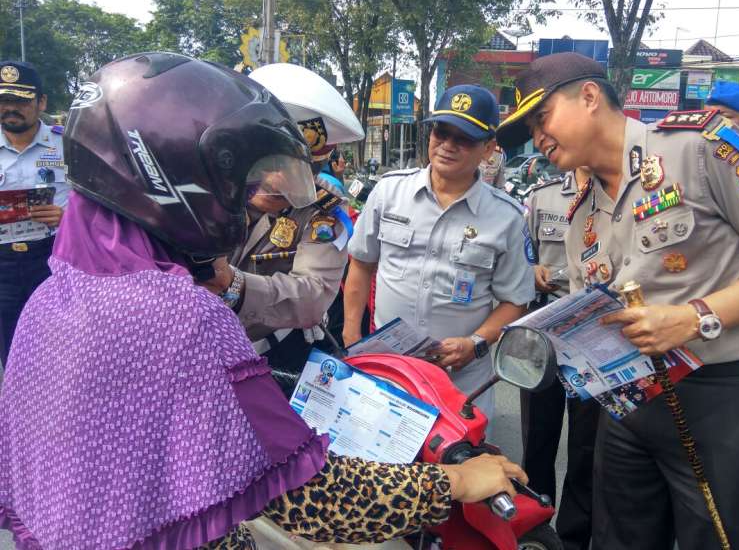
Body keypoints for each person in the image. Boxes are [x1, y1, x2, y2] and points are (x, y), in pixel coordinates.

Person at [0, 53, 527, 550]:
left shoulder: (52, 295)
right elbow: (304, 495)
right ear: (177, 178)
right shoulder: (180, 317)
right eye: (233, 179)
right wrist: (452, 481)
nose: (247, 194)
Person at [497, 51, 739, 550]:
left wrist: (695, 317)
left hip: (726, 395)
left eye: (542, 118)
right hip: (632, 405)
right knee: (618, 537)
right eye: (530, 130)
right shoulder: (580, 215)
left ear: (590, 96)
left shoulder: (700, 149)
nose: (537, 138)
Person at [343, 84, 535, 420]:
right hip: (389, 369)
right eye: (441, 133)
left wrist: (475, 343)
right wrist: (351, 335)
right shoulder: (389, 192)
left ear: (489, 148)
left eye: (463, 138)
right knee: (388, 467)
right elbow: (360, 264)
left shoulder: (506, 217)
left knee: (462, 469)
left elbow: (515, 301)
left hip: (461, 381)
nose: (447, 145)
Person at [199, 63, 361, 392]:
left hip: (272, 359)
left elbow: (314, 294)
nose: (282, 182)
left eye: (300, 169)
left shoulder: (325, 210)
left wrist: (234, 285)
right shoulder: (205, 191)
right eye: (272, 164)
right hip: (194, 352)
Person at [519, 166, 599, 550]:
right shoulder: (542, 195)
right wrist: (530, 267)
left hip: (594, 332)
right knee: (538, 436)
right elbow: (521, 253)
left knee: (587, 443)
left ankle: (574, 536)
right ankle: (534, 526)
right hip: (545, 331)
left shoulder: (618, 192)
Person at [0, 60, 69, 368]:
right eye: (4, 100)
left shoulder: (66, 143)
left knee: (60, 346)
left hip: (53, 258)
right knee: (12, 351)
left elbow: (97, 201)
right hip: (3, 266)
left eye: (21, 100)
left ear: (41, 101)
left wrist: (67, 217)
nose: (11, 108)